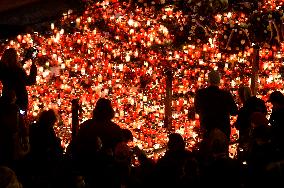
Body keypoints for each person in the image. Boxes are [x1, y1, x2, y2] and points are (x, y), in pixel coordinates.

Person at [194, 70, 238, 140]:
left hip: (207, 128)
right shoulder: (226, 95)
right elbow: (234, 111)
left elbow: (197, 110)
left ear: (208, 80)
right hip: (223, 129)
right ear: (219, 81)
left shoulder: (200, 94)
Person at [0, 47, 37, 112]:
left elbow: (12, 70)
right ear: (15, 58)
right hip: (20, 100)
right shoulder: (18, 71)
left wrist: (24, 60)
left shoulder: (3, 69)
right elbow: (30, 81)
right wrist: (33, 65)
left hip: (6, 98)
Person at [268, 91, 284, 158]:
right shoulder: (276, 109)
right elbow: (271, 119)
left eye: (273, 103)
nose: (272, 105)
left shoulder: (280, 110)